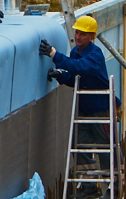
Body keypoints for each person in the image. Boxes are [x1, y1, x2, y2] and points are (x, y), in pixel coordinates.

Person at [41, 15, 113, 157]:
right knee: (79, 144)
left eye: (83, 34)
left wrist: (55, 55)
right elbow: (76, 78)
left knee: (104, 145)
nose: (78, 37)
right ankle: (84, 176)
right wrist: (61, 75)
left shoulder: (95, 54)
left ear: (91, 36)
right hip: (83, 106)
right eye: (77, 32)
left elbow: (80, 67)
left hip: (100, 108)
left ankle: (113, 177)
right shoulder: (75, 52)